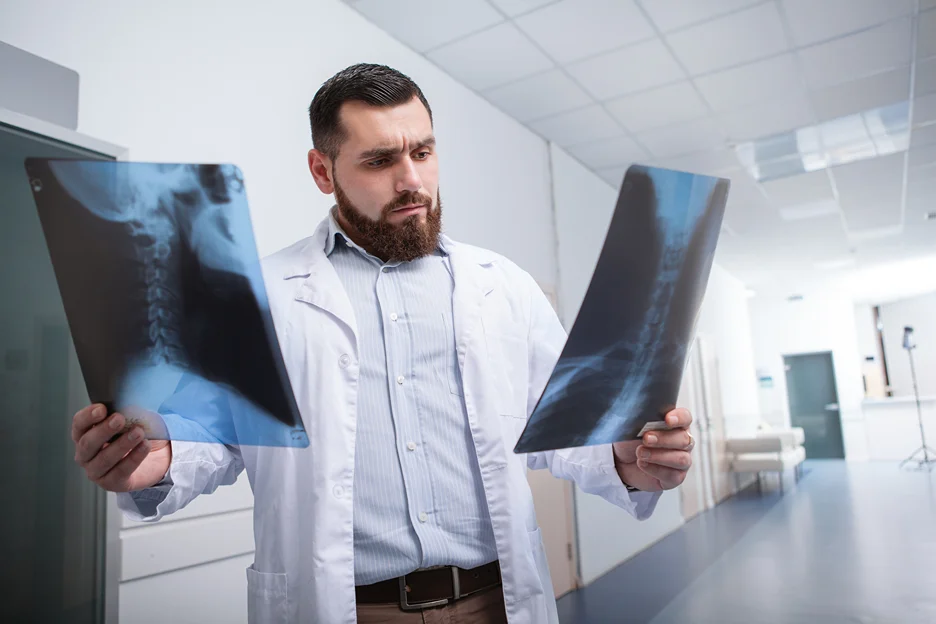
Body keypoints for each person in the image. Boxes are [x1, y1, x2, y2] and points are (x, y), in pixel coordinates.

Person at [70, 63, 696, 624]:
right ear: (323, 171)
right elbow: (209, 438)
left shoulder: (503, 285)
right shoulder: (257, 297)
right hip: (349, 609)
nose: (412, 180)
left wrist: (628, 461)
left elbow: (564, 427)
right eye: (379, 161)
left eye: (423, 152)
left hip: (497, 603)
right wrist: (153, 465)